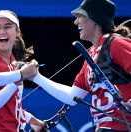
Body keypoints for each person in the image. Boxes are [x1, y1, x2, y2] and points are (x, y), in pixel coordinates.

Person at [31, 0, 131, 131]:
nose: (75, 22)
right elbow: (72, 97)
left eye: (80, 16)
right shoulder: (91, 54)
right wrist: (35, 77)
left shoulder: (116, 43)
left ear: (95, 19)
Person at [0, 10, 45, 132]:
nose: (2, 31)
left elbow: (11, 107)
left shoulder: (12, 61)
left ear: (17, 32)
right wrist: (20, 76)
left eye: (7, 27)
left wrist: (34, 121)